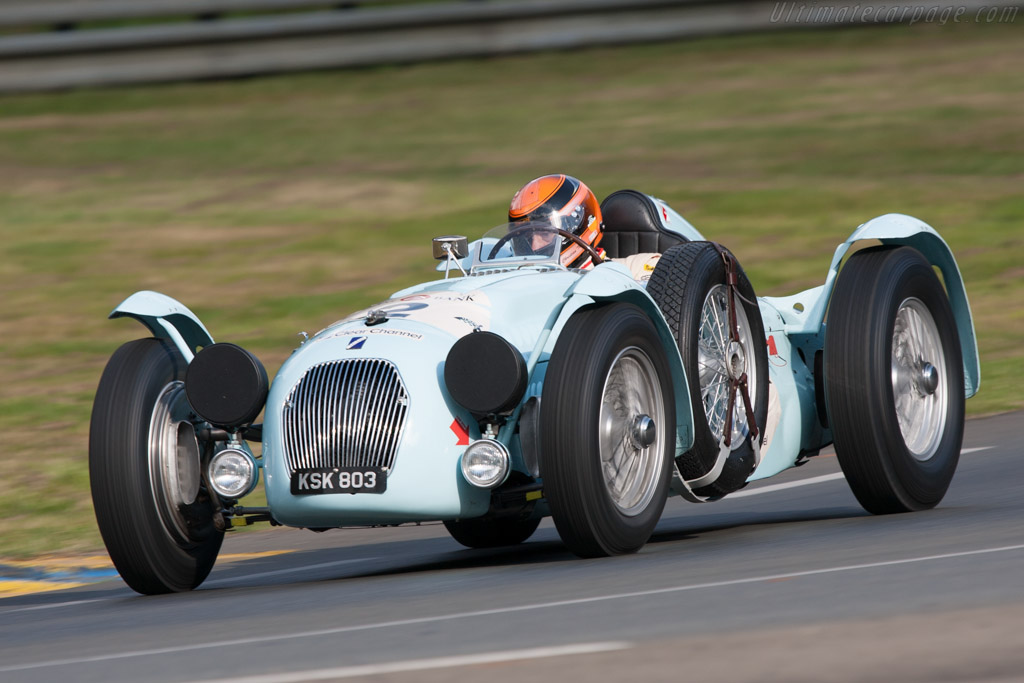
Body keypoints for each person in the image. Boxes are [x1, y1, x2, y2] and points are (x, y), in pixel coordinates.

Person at [507, 174, 662, 280]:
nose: (533, 246)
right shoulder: (510, 275)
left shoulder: (637, 270)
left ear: (577, 225)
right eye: (525, 236)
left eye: (545, 234)